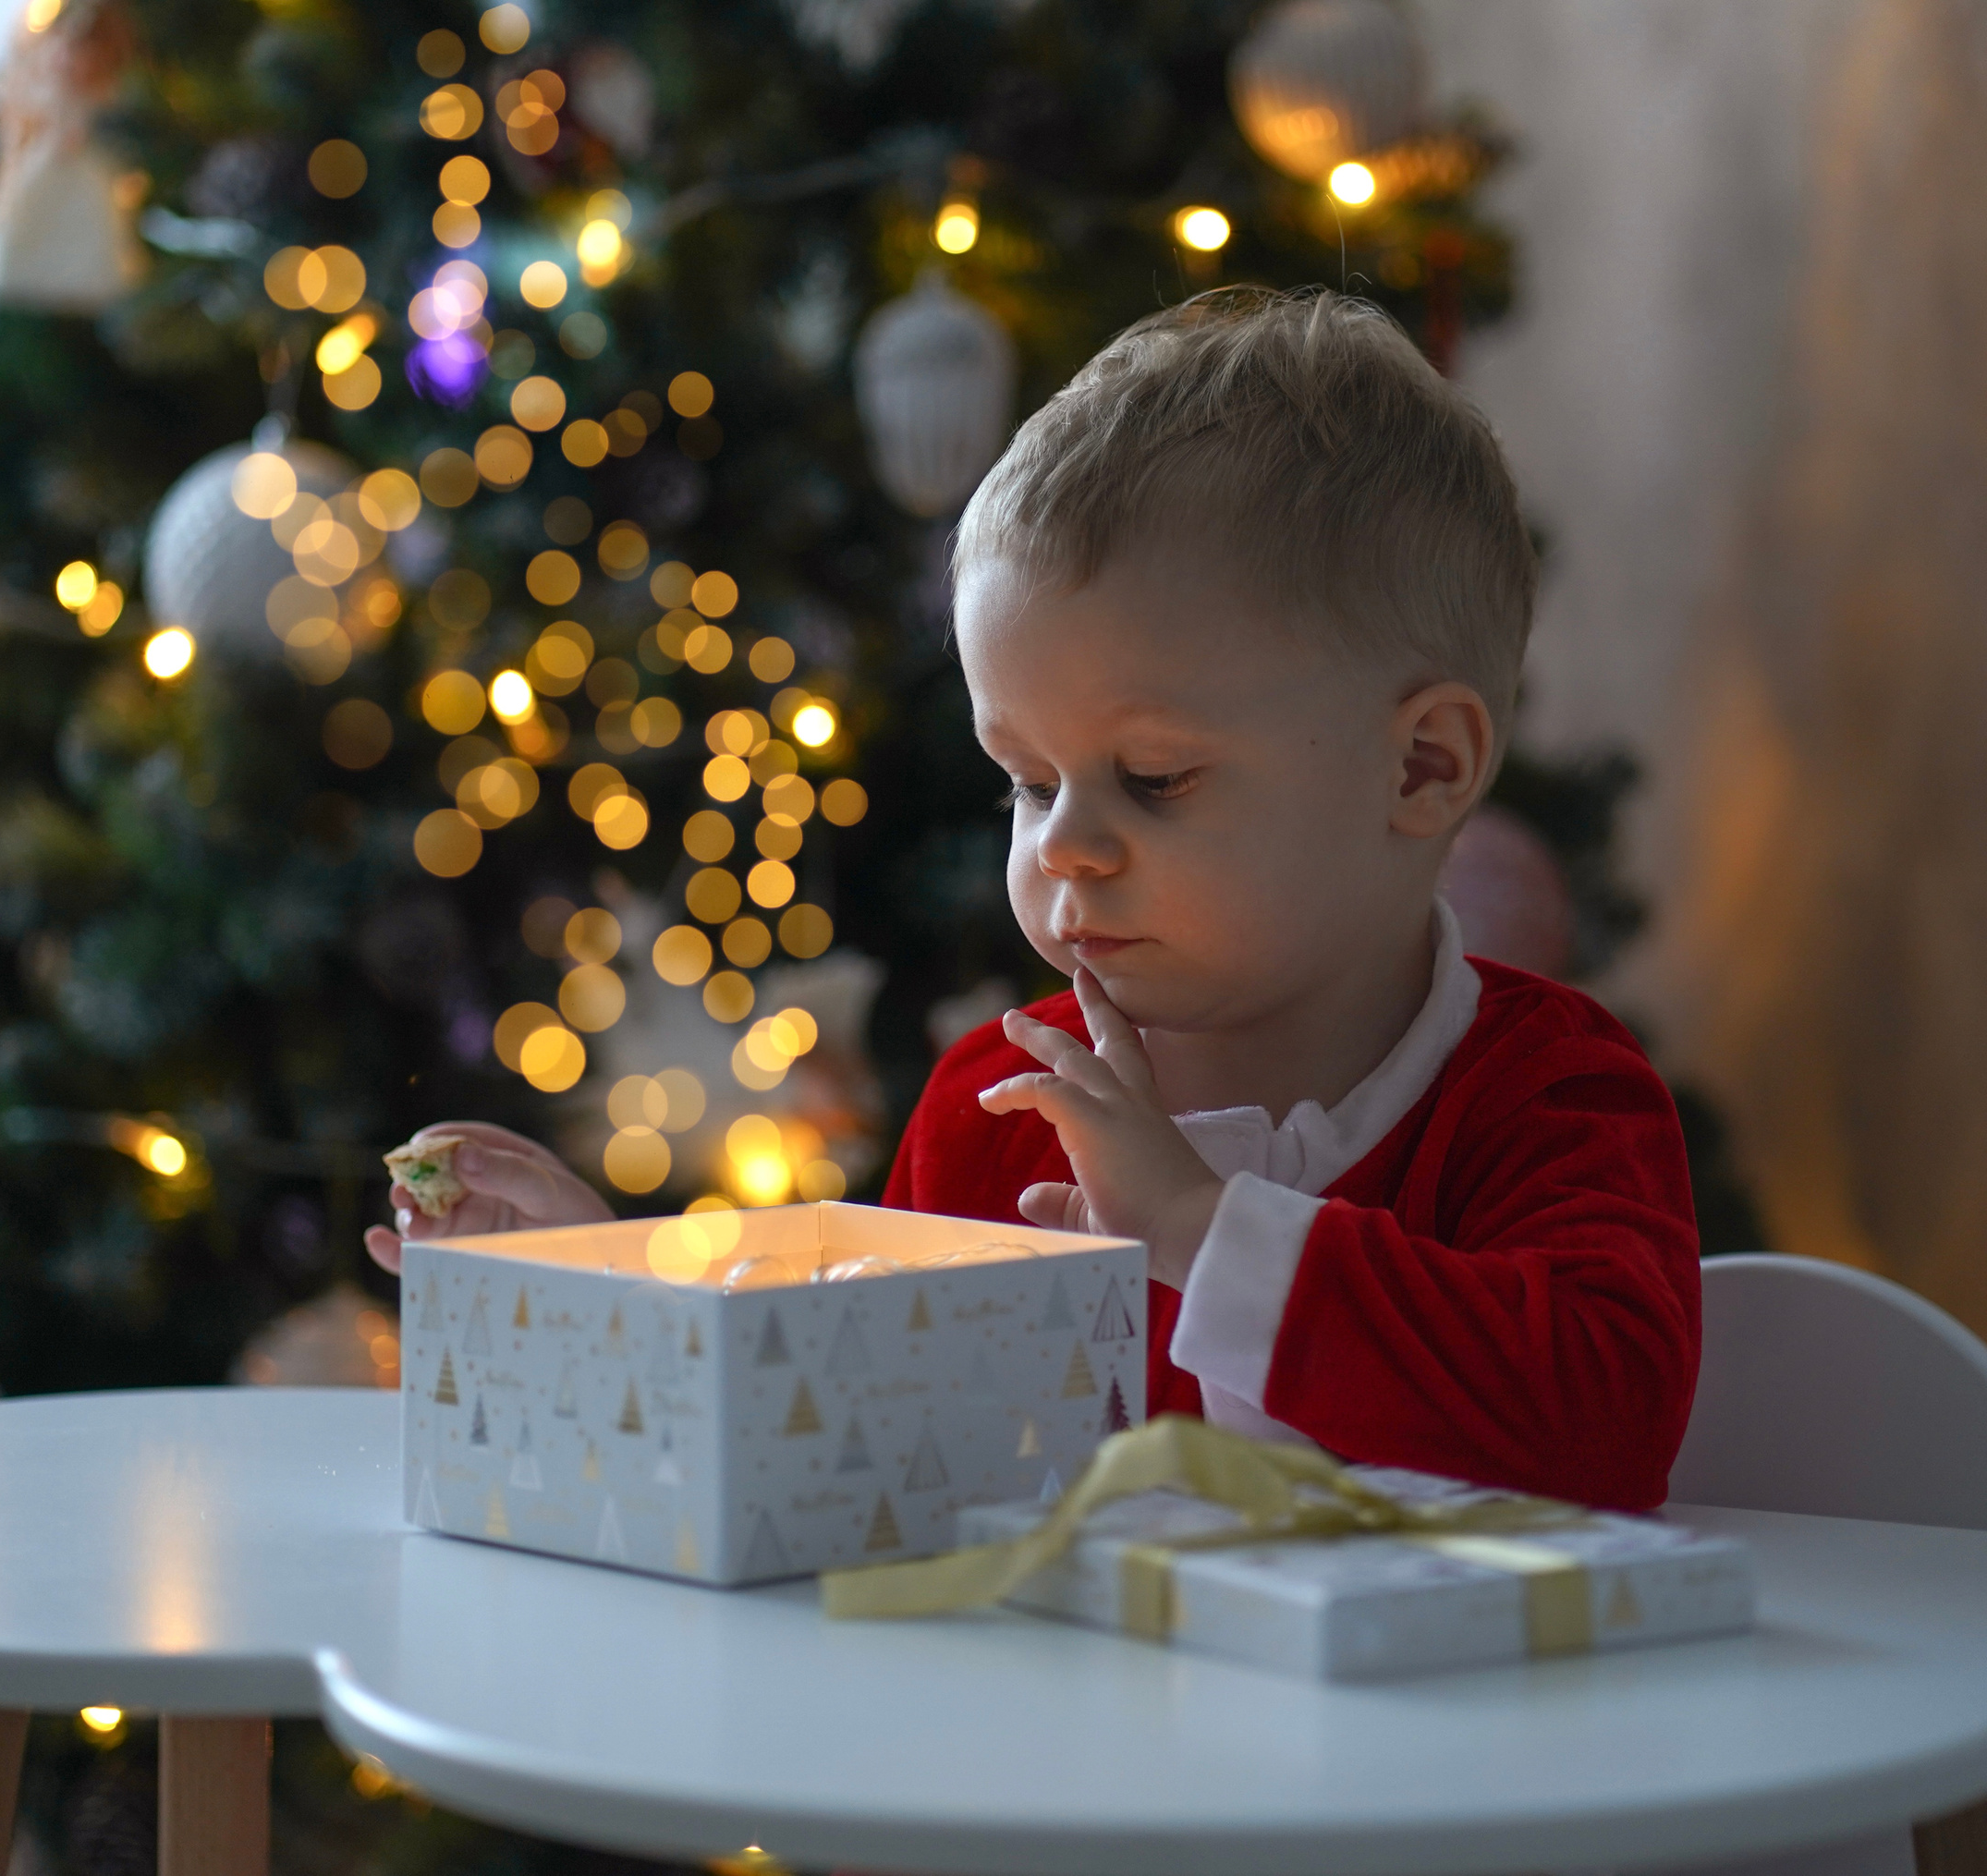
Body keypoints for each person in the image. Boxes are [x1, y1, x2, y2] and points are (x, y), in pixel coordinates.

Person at [367, 287, 1701, 1511]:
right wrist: (602, 1293)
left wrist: (1196, 1231)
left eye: (1154, 778)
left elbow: (1606, 1424)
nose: (1064, 845)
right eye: (1029, 780)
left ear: (1421, 768)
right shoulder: (998, 1114)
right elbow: (841, 1444)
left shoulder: (1548, 1096)